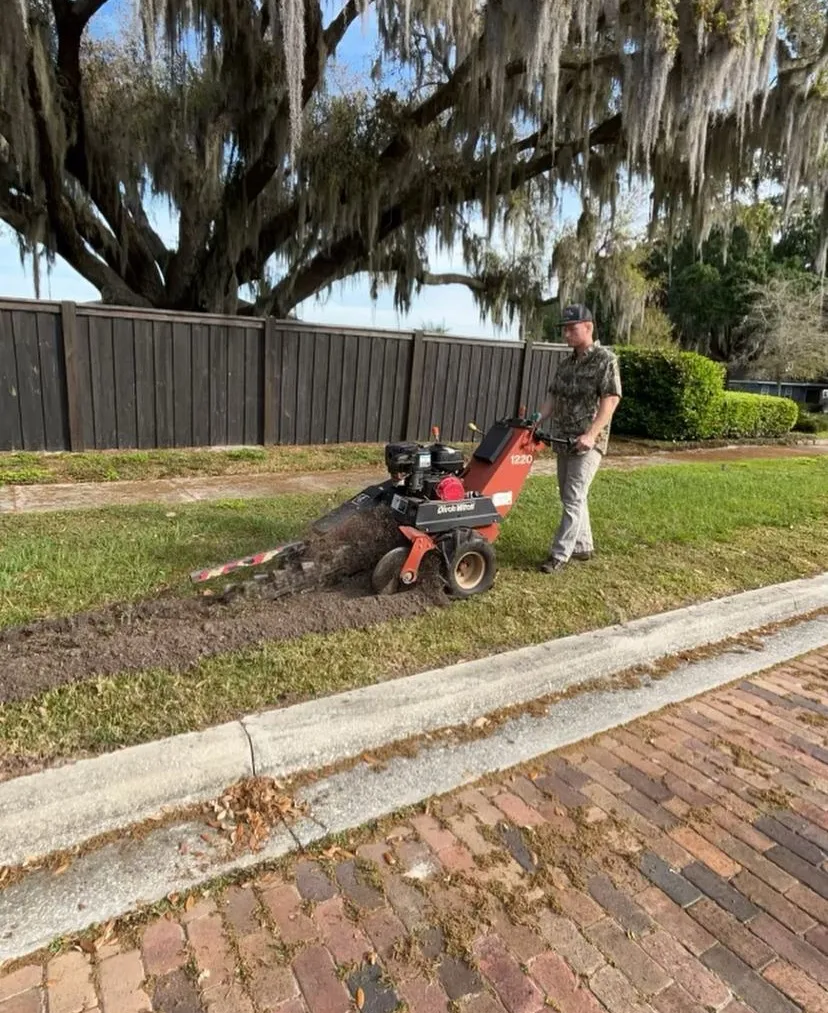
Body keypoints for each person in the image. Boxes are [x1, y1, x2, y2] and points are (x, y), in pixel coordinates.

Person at [535, 304, 622, 573]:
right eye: (565, 330)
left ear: (588, 327)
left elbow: (611, 399)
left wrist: (591, 434)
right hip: (564, 438)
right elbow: (553, 396)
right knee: (569, 494)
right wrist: (536, 420)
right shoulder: (566, 365)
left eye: (571, 329)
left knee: (573, 495)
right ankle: (583, 546)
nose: (566, 335)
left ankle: (560, 555)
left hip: (588, 442)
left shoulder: (605, 360)